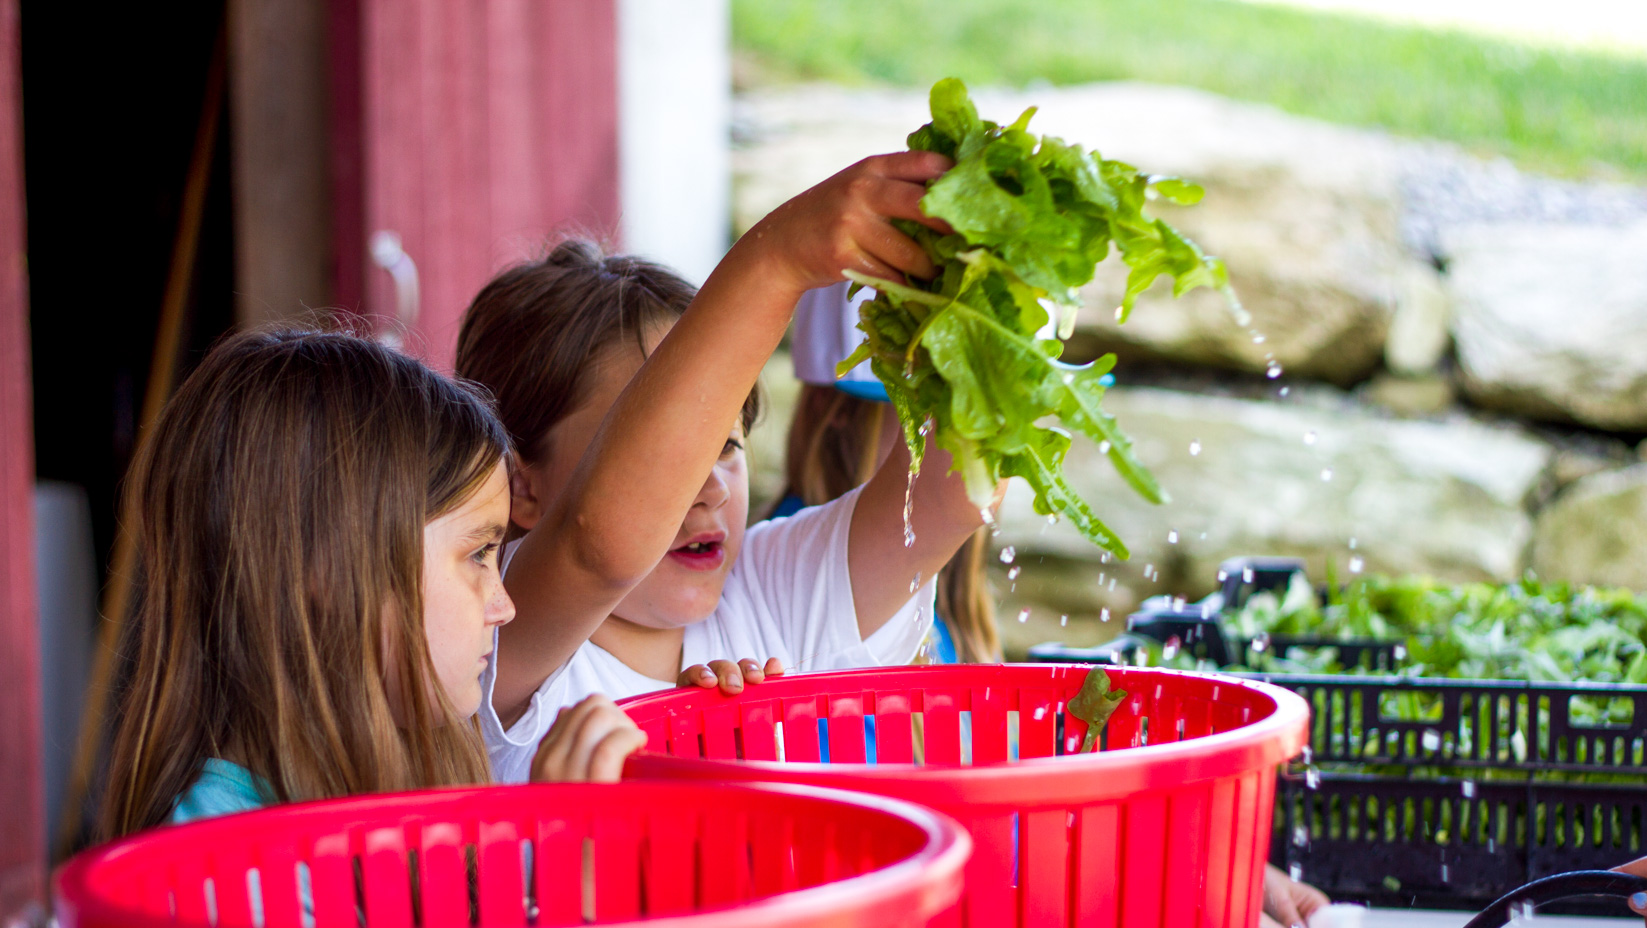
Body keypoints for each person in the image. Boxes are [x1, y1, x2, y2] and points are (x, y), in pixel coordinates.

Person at [456, 152, 1000, 783]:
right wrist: (777, 258)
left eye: (727, 444)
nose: (710, 487)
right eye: (669, 454)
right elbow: (601, 541)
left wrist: (990, 283)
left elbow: (954, 494)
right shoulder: (495, 626)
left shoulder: (766, 588)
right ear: (521, 485)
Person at [99, 327, 645, 838]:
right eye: (477, 553)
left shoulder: (394, 792)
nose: (504, 608)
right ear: (331, 570)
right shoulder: (220, 863)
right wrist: (567, 853)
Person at [771, 280, 1000, 664]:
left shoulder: (948, 589)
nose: (977, 440)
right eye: (935, 412)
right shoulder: (794, 577)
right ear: (834, 410)